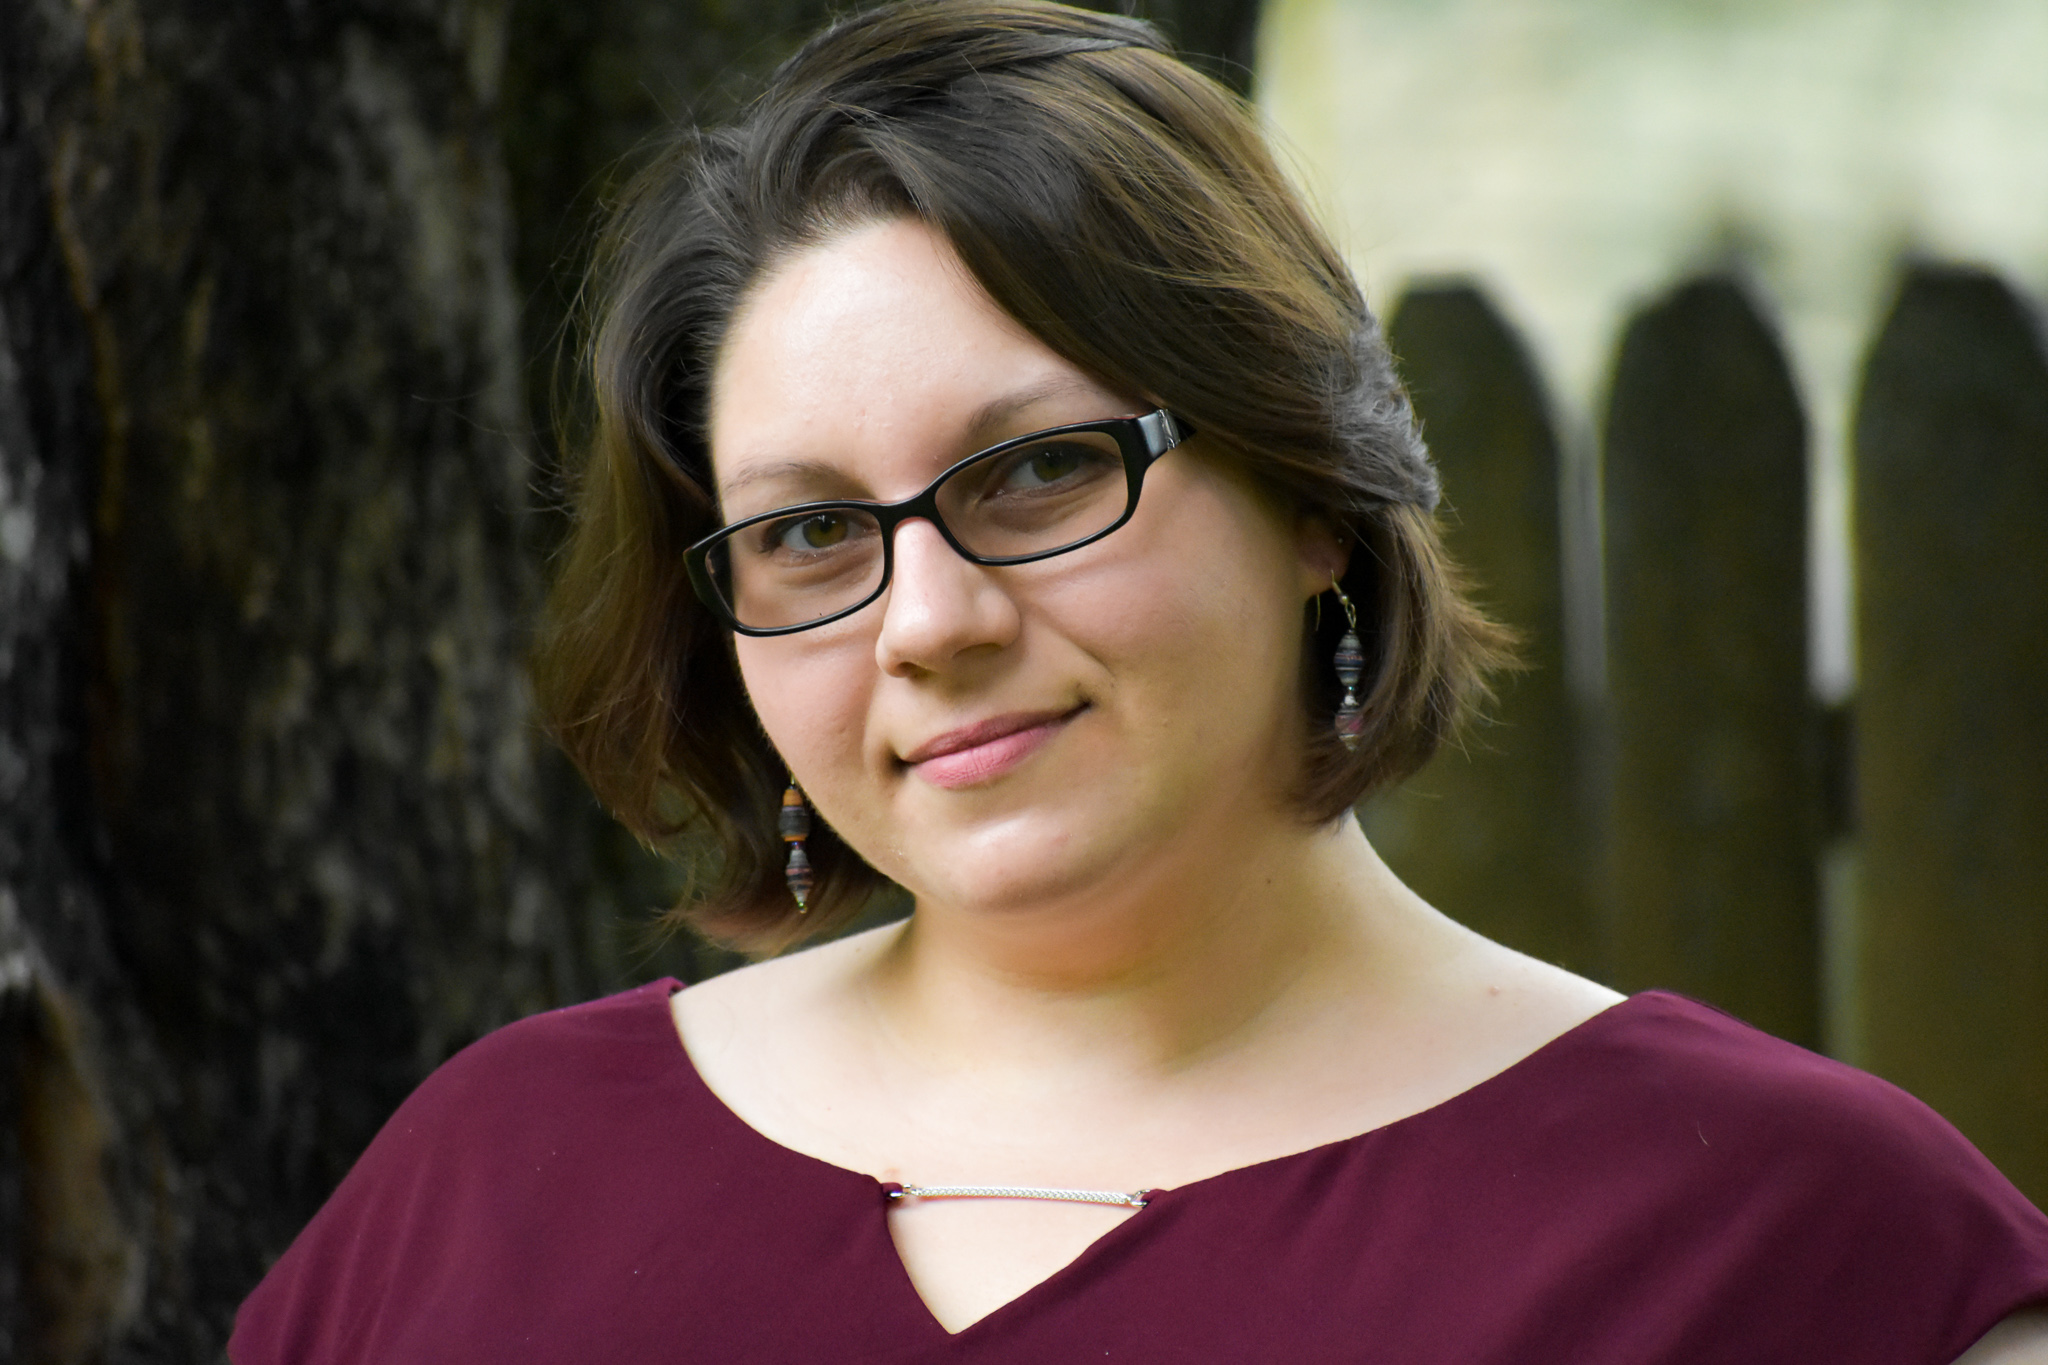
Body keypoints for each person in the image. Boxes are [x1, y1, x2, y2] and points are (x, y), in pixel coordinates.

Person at [230, 2, 2048, 1360]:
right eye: (806, 537)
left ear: (1314, 495)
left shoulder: (1800, 1247)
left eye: (1037, 471)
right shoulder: (489, 1187)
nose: (925, 621)